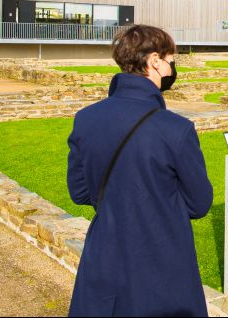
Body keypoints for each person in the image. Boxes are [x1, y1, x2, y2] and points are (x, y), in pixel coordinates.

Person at [66, 25, 213, 317]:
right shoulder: (176, 130)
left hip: (105, 252)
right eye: (171, 60)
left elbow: (80, 191)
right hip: (161, 261)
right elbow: (199, 203)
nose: (172, 68)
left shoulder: (86, 119)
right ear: (155, 61)